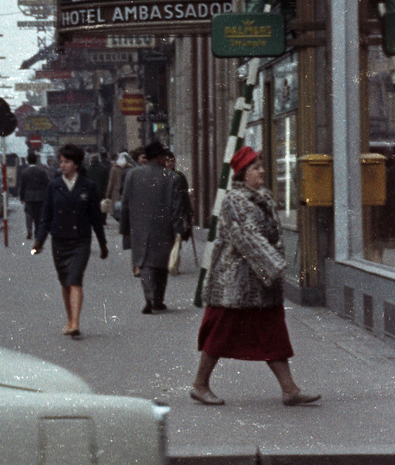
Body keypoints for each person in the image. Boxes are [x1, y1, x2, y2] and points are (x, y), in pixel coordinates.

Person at [191, 145, 320, 407]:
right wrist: (274, 265)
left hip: (261, 282)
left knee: (273, 333)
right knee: (220, 332)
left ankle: (289, 389)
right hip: (236, 282)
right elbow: (247, 238)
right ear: (242, 174)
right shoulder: (234, 201)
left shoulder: (263, 197)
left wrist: (272, 268)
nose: (262, 171)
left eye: (261, 166)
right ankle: (200, 385)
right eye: (256, 168)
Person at [33, 143, 109, 338]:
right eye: (61, 162)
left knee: (75, 280)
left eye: (66, 162)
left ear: (76, 164)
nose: (62, 165)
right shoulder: (54, 185)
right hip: (59, 241)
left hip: (80, 241)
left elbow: (95, 218)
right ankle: (69, 319)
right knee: (65, 282)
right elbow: (46, 217)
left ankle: (75, 322)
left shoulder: (88, 186)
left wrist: (102, 244)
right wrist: (38, 241)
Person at [119, 139, 182, 314]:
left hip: (139, 227)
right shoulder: (172, 177)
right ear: (160, 157)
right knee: (161, 265)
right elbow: (177, 208)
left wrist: (124, 228)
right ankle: (158, 299)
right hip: (164, 228)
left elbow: (125, 204)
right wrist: (179, 231)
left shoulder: (132, 174)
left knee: (144, 263)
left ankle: (149, 296)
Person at [164, 150, 193, 276]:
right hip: (164, 212)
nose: (170, 164)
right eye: (167, 161)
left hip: (178, 211)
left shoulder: (179, 176)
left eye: (172, 161)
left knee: (177, 238)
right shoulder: (161, 177)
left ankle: (174, 262)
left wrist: (189, 212)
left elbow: (184, 195)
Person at [18, 150, 52, 243]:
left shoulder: (24, 172)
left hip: (28, 196)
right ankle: (37, 232)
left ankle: (29, 230)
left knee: (28, 213)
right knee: (38, 215)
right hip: (40, 197)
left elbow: (22, 186)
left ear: (28, 161)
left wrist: (21, 197)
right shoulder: (41, 171)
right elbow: (47, 183)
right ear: (36, 160)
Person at [104, 150, 133, 221]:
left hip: (116, 192)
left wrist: (108, 194)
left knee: (116, 209)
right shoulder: (130, 168)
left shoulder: (114, 168)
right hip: (127, 191)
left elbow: (111, 182)